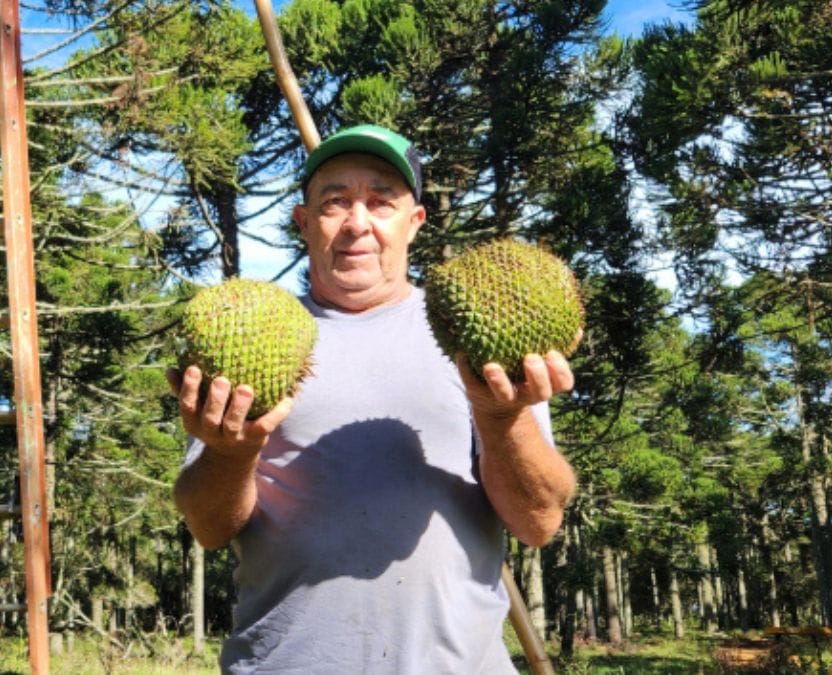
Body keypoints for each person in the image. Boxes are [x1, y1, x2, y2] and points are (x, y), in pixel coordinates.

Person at [168, 124, 577, 674]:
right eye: (334, 202)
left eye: (381, 202)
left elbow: (538, 523)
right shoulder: (250, 334)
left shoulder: (479, 329)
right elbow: (208, 526)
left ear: (415, 222)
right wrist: (231, 452)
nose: (357, 223)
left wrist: (501, 418)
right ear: (304, 222)